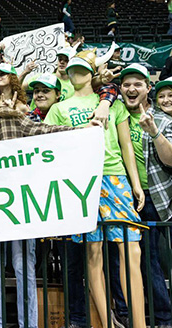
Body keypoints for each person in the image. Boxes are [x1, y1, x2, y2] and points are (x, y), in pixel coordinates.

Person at [0, 74, 97, 328]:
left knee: (23, 268)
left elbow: (43, 131)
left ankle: (28, 324)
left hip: (20, 207)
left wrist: (79, 131)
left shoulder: (8, 119)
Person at [44, 50, 146, 328]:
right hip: (81, 182)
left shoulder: (111, 103)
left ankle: (140, 323)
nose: (77, 74)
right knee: (93, 253)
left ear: (91, 73)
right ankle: (107, 323)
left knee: (131, 250)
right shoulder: (59, 108)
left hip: (114, 176)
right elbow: (53, 150)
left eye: (82, 69)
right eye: (73, 69)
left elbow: (125, 145)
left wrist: (135, 183)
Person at [118, 65, 172, 327]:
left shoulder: (162, 119)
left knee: (150, 258)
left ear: (148, 88)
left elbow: (170, 160)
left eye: (138, 84)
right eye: (126, 84)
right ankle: (128, 314)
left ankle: (162, 317)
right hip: (121, 196)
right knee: (121, 259)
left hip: (155, 198)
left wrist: (153, 130)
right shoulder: (115, 116)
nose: (132, 89)